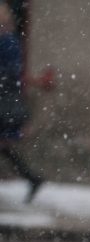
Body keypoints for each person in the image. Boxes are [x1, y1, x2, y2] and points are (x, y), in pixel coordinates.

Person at [0, 2, 42, 203]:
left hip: (3, 101)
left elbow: (8, 74)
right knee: (4, 147)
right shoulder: (10, 42)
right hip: (7, 100)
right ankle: (32, 178)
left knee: (4, 146)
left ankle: (32, 178)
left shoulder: (7, 43)